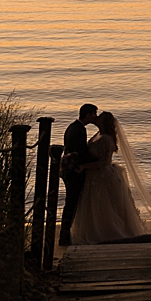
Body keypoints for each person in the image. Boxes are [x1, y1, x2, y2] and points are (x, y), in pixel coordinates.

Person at [69, 110, 151, 245]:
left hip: (102, 177)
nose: (96, 118)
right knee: (95, 208)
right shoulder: (98, 135)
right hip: (94, 177)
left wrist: (84, 166)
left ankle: (108, 233)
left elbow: (103, 163)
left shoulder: (106, 139)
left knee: (105, 208)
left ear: (104, 122)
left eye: (99, 117)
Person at [58, 103, 99, 247]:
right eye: (94, 114)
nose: (95, 117)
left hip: (69, 169)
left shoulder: (73, 127)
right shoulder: (79, 130)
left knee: (71, 201)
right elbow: (81, 153)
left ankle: (65, 232)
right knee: (72, 202)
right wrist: (97, 161)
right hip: (74, 171)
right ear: (87, 114)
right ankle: (64, 234)